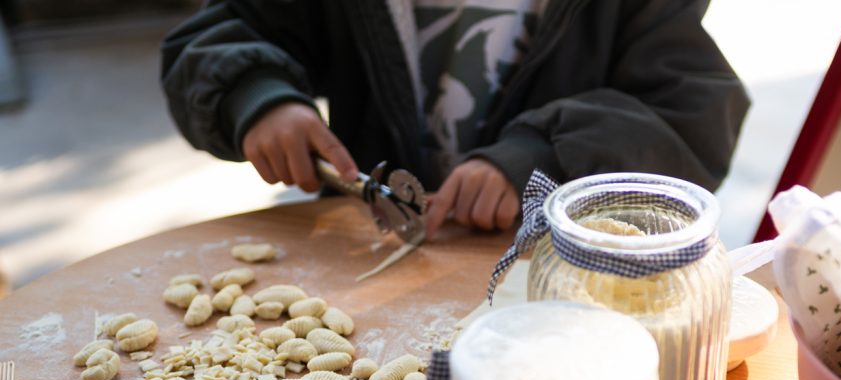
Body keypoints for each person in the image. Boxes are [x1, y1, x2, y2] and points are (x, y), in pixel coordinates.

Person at [161, 1, 748, 237]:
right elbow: (215, 37)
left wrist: (543, 157)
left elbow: (695, 113)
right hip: (376, 259)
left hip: (564, 289)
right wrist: (257, 95)